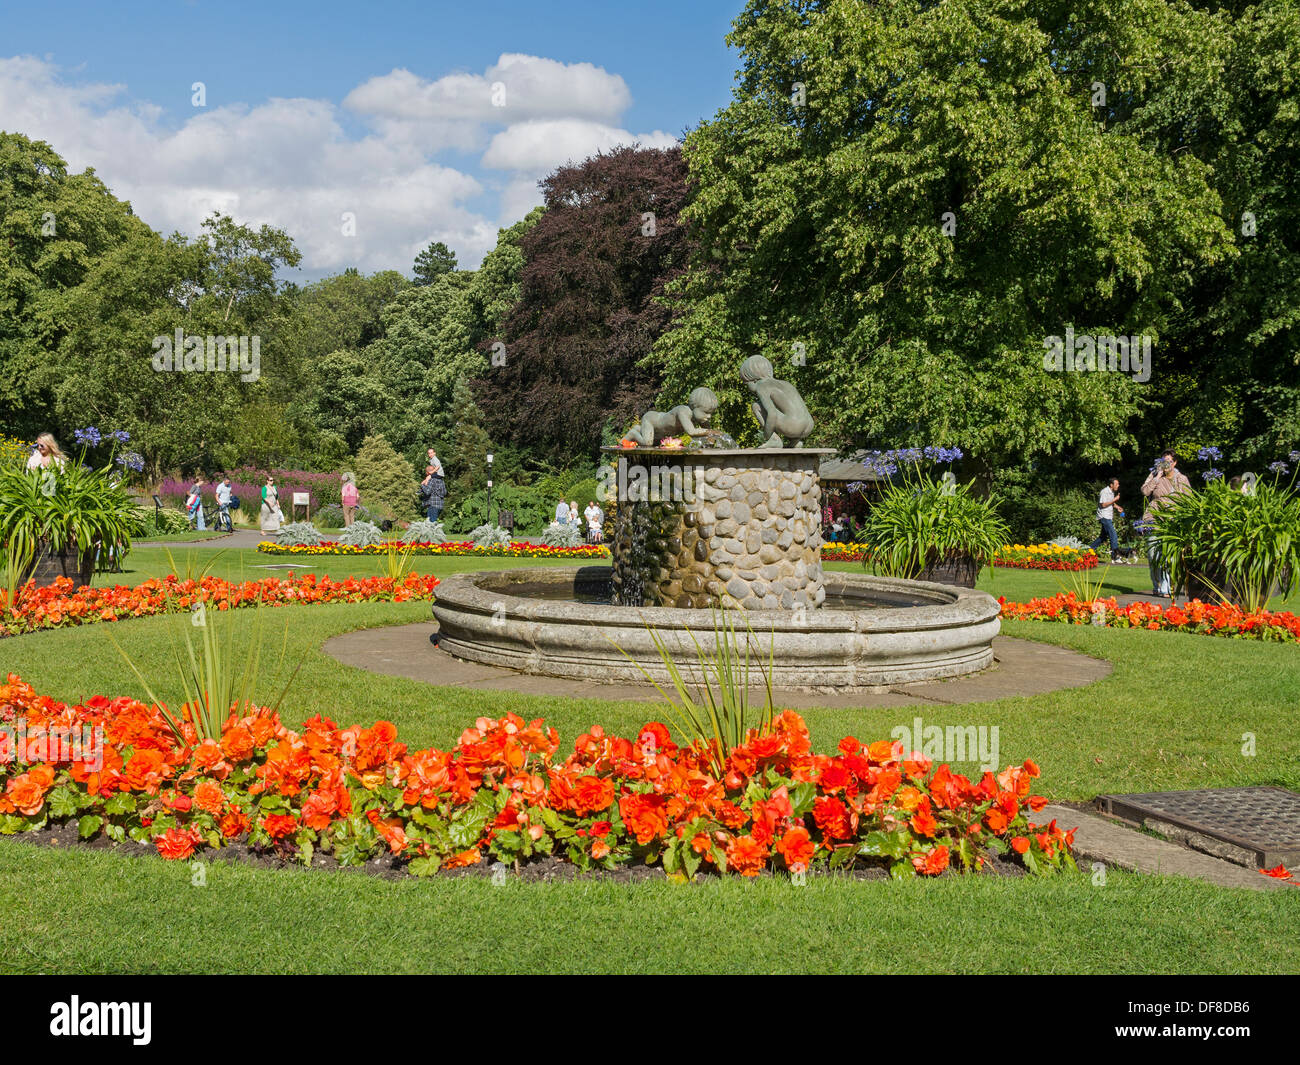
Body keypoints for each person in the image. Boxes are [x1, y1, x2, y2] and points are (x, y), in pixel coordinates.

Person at [1140, 450, 1192, 598]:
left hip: (1172, 521)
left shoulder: (1181, 479)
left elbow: (1189, 499)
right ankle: (1156, 583)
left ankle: (1165, 587)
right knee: (1153, 556)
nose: (1166, 464)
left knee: (1166, 555)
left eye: (1169, 461)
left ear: (1174, 463)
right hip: (1153, 519)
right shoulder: (1155, 475)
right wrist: (1156, 477)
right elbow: (1144, 491)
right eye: (1163, 461)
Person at [1089, 477, 1126, 562]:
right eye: (1117, 484)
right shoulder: (1104, 492)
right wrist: (1115, 499)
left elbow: (1111, 503)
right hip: (1104, 517)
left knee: (1102, 537)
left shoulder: (1112, 492)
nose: (1118, 485)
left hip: (1108, 516)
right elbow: (1103, 505)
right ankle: (1115, 557)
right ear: (1111, 485)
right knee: (1113, 535)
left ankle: (1087, 550)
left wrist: (1117, 507)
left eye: (1118, 484)